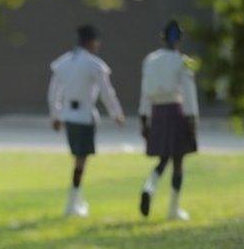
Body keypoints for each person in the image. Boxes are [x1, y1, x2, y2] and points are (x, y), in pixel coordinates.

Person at [47, 24, 125, 217]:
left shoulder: (63, 62)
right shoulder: (94, 64)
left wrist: (55, 115)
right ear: (91, 42)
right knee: (80, 162)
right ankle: (72, 204)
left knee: (78, 160)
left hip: (68, 116)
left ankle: (77, 200)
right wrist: (116, 113)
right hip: (84, 117)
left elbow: (53, 93)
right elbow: (107, 93)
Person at [138, 19, 199, 220]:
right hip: (175, 110)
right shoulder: (182, 61)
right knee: (178, 160)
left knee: (163, 157)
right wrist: (192, 119)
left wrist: (143, 118)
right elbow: (189, 94)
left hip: (156, 111)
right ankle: (174, 208)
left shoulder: (150, 60)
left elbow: (145, 92)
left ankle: (149, 187)